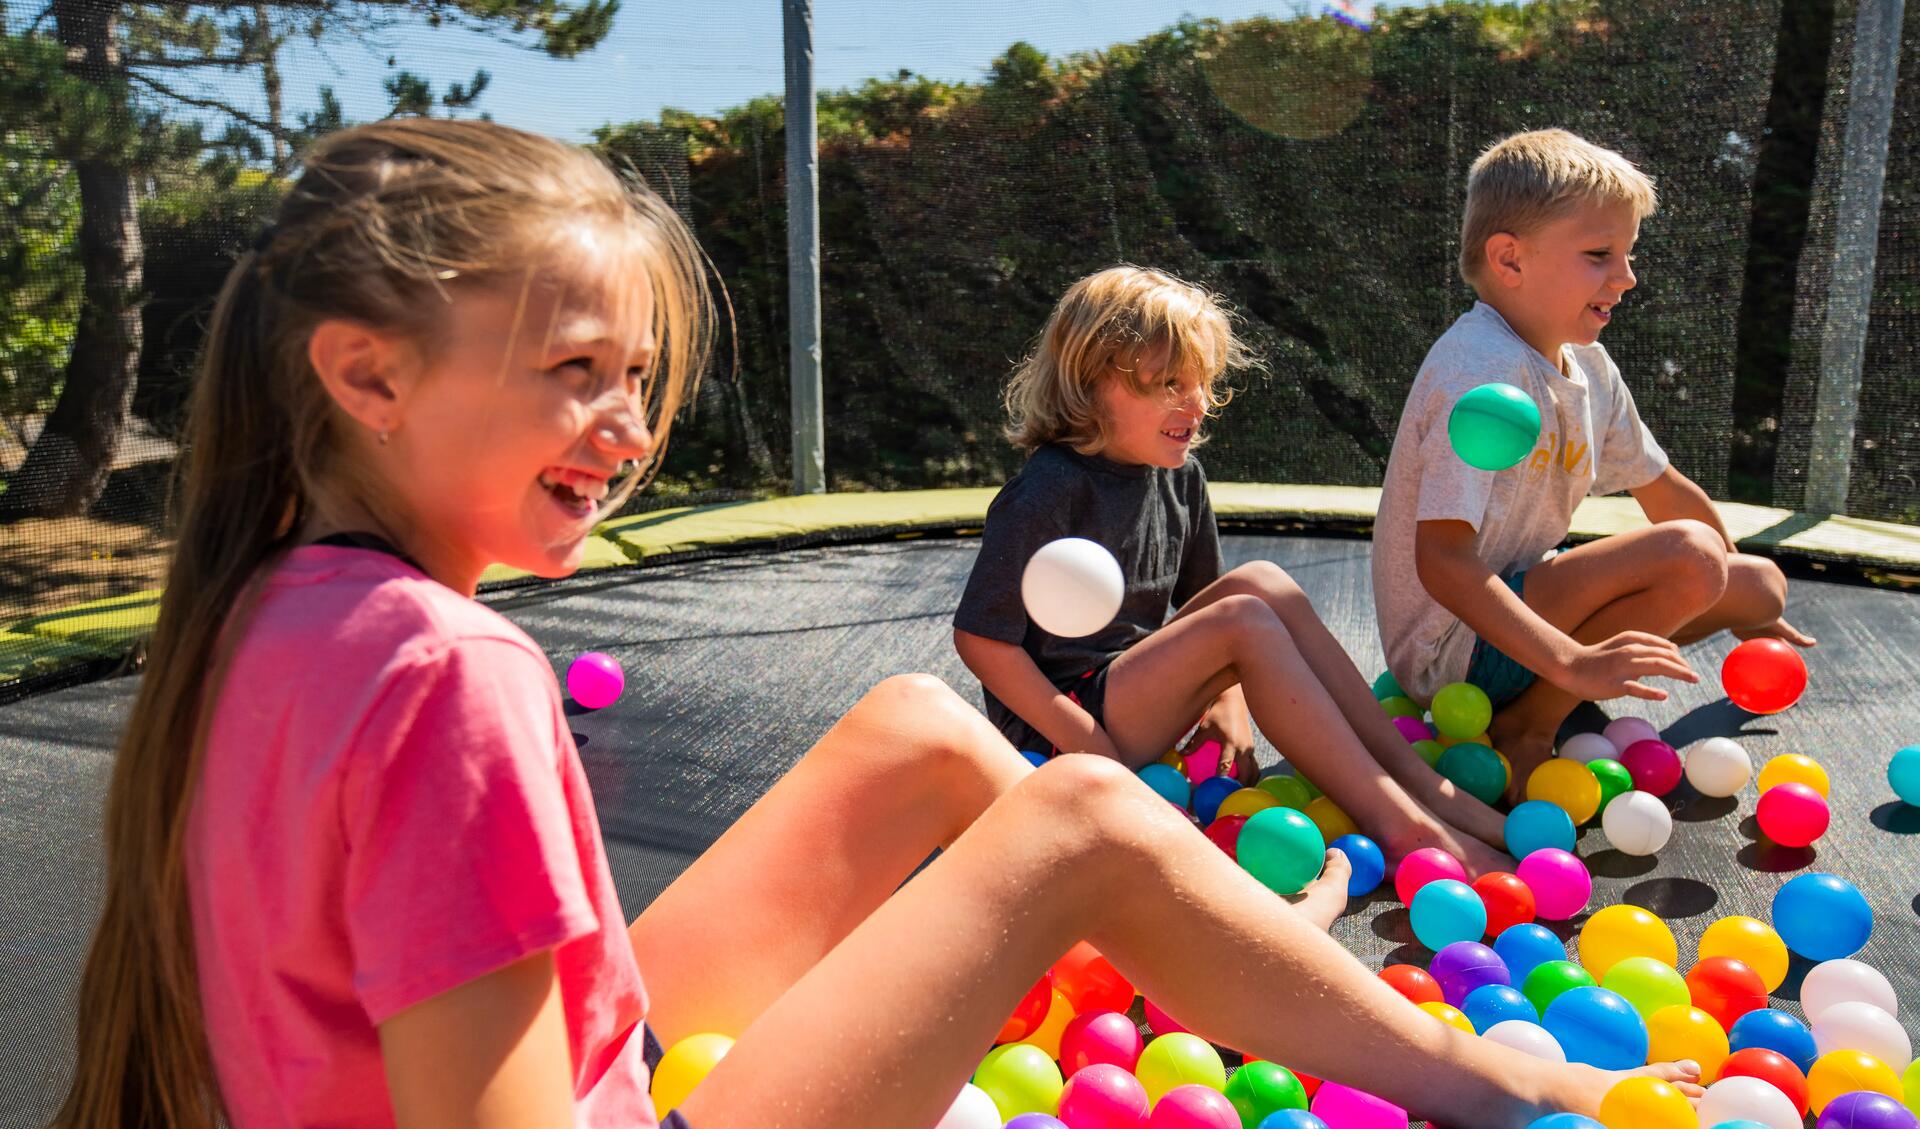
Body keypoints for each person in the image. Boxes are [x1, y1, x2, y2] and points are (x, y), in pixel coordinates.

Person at [56, 120, 1696, 1129]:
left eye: (638, 374)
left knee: (914, 731)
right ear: (367, 372)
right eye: (573, 369)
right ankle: (1494, 1081)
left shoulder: (266, 604)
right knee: (1077, 815)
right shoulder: (452, 670)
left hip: (572, 1058)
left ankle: (1218, 944)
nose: (624, 422)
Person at [954, 266, 1514, 874]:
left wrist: (1229, 707)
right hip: (1059, 727)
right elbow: (983, 640)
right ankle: (1399, 823)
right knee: (1246, 613)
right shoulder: (1048, 490)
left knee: (1261, 582)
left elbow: (1208, 603)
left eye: (1202, 384)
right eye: (1169, 384)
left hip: (1130, 692)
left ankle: (1416, 782)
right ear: (1091, 386)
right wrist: (1093, 746)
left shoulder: (1180, 476)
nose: (1195, 405)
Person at [1374, 128, 1813, 798]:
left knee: (1757, 583)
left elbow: (1662, 487)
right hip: (1450, 646)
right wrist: (1571, 663)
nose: (1627, 276)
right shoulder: (1481, 376)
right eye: (1599, 254)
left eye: (1629, 254)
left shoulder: (1589, 367)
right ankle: (1529, 722)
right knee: (1694, 556)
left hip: (1522, 609)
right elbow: (1442, 561)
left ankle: (1547, 688)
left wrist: (1729, 581)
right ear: (1510, 261)